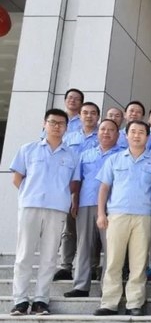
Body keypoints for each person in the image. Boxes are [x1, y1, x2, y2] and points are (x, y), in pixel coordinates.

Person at [9, 109, 80, 316]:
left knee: (49, 257)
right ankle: (20, 300)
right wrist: (31, 193)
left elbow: (73, 184)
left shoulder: (72, 155)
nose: (56, 126)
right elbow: (17, 178)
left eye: (61, 123)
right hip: (30, 206)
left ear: (66, 127)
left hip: (57, 209)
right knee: (24, 254)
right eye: (52, 122)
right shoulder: (28, 149)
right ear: (44, 124)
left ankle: (41, 299)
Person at [94, 120, 151, 316]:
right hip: (117, 215)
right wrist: (101, 213)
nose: (137, 135)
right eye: (133, 132)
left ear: (147, 137)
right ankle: (109, 303)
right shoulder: (114, 159)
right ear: (126, 135)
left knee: (139, 263)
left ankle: (135, 303)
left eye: (141, 132)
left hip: (144, 217)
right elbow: (104, 188)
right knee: (113, 261)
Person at [64, 119, 123, 298]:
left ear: (118, 135)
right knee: (84, 245)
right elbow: (77, 180)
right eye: (103, 129)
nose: (106, 132)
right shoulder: (85, 154)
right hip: (86, 203)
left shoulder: (122, 155)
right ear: (98, 133)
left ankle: (108, 288)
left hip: (113, 205)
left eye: (111, 130)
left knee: (111, 247)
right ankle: (81, 286)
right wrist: (74, 200)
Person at [55, 101, 101, 281]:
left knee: (92, 232)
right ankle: (66, 265)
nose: (89, 116)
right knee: (69, 228)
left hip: (92, 190)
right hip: (71, 187)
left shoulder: (103, 136)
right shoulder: (69, 137)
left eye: (93, 113)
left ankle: (93, 266)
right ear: (79, 116)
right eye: (85, 113)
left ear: (98, 116)